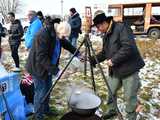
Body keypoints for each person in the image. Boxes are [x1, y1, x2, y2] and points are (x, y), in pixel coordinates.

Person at [90, 10, 145, 120]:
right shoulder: (106, 34)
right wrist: (92, 60)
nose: (98, 30)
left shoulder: (121, 28)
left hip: (129, 68)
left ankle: (131, 116)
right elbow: (105, 52)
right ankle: (112, 110)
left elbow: (128, 47)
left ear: (104, 23)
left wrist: (114, 60)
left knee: (129, 97)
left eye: (98, 27)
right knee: (111, 91)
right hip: (115, 69)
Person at [25, 16, 82, 120]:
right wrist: (57, 71)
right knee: (40, 92)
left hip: (49, 67)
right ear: (58, 31)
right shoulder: (43, 35)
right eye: (63, 36)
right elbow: (41, 57)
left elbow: (66, 44)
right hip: (38, 68)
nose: (64, 38)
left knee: (48, 89)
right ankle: (38, 116)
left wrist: (77, 53)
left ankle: (46, 110)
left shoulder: (58, 33)